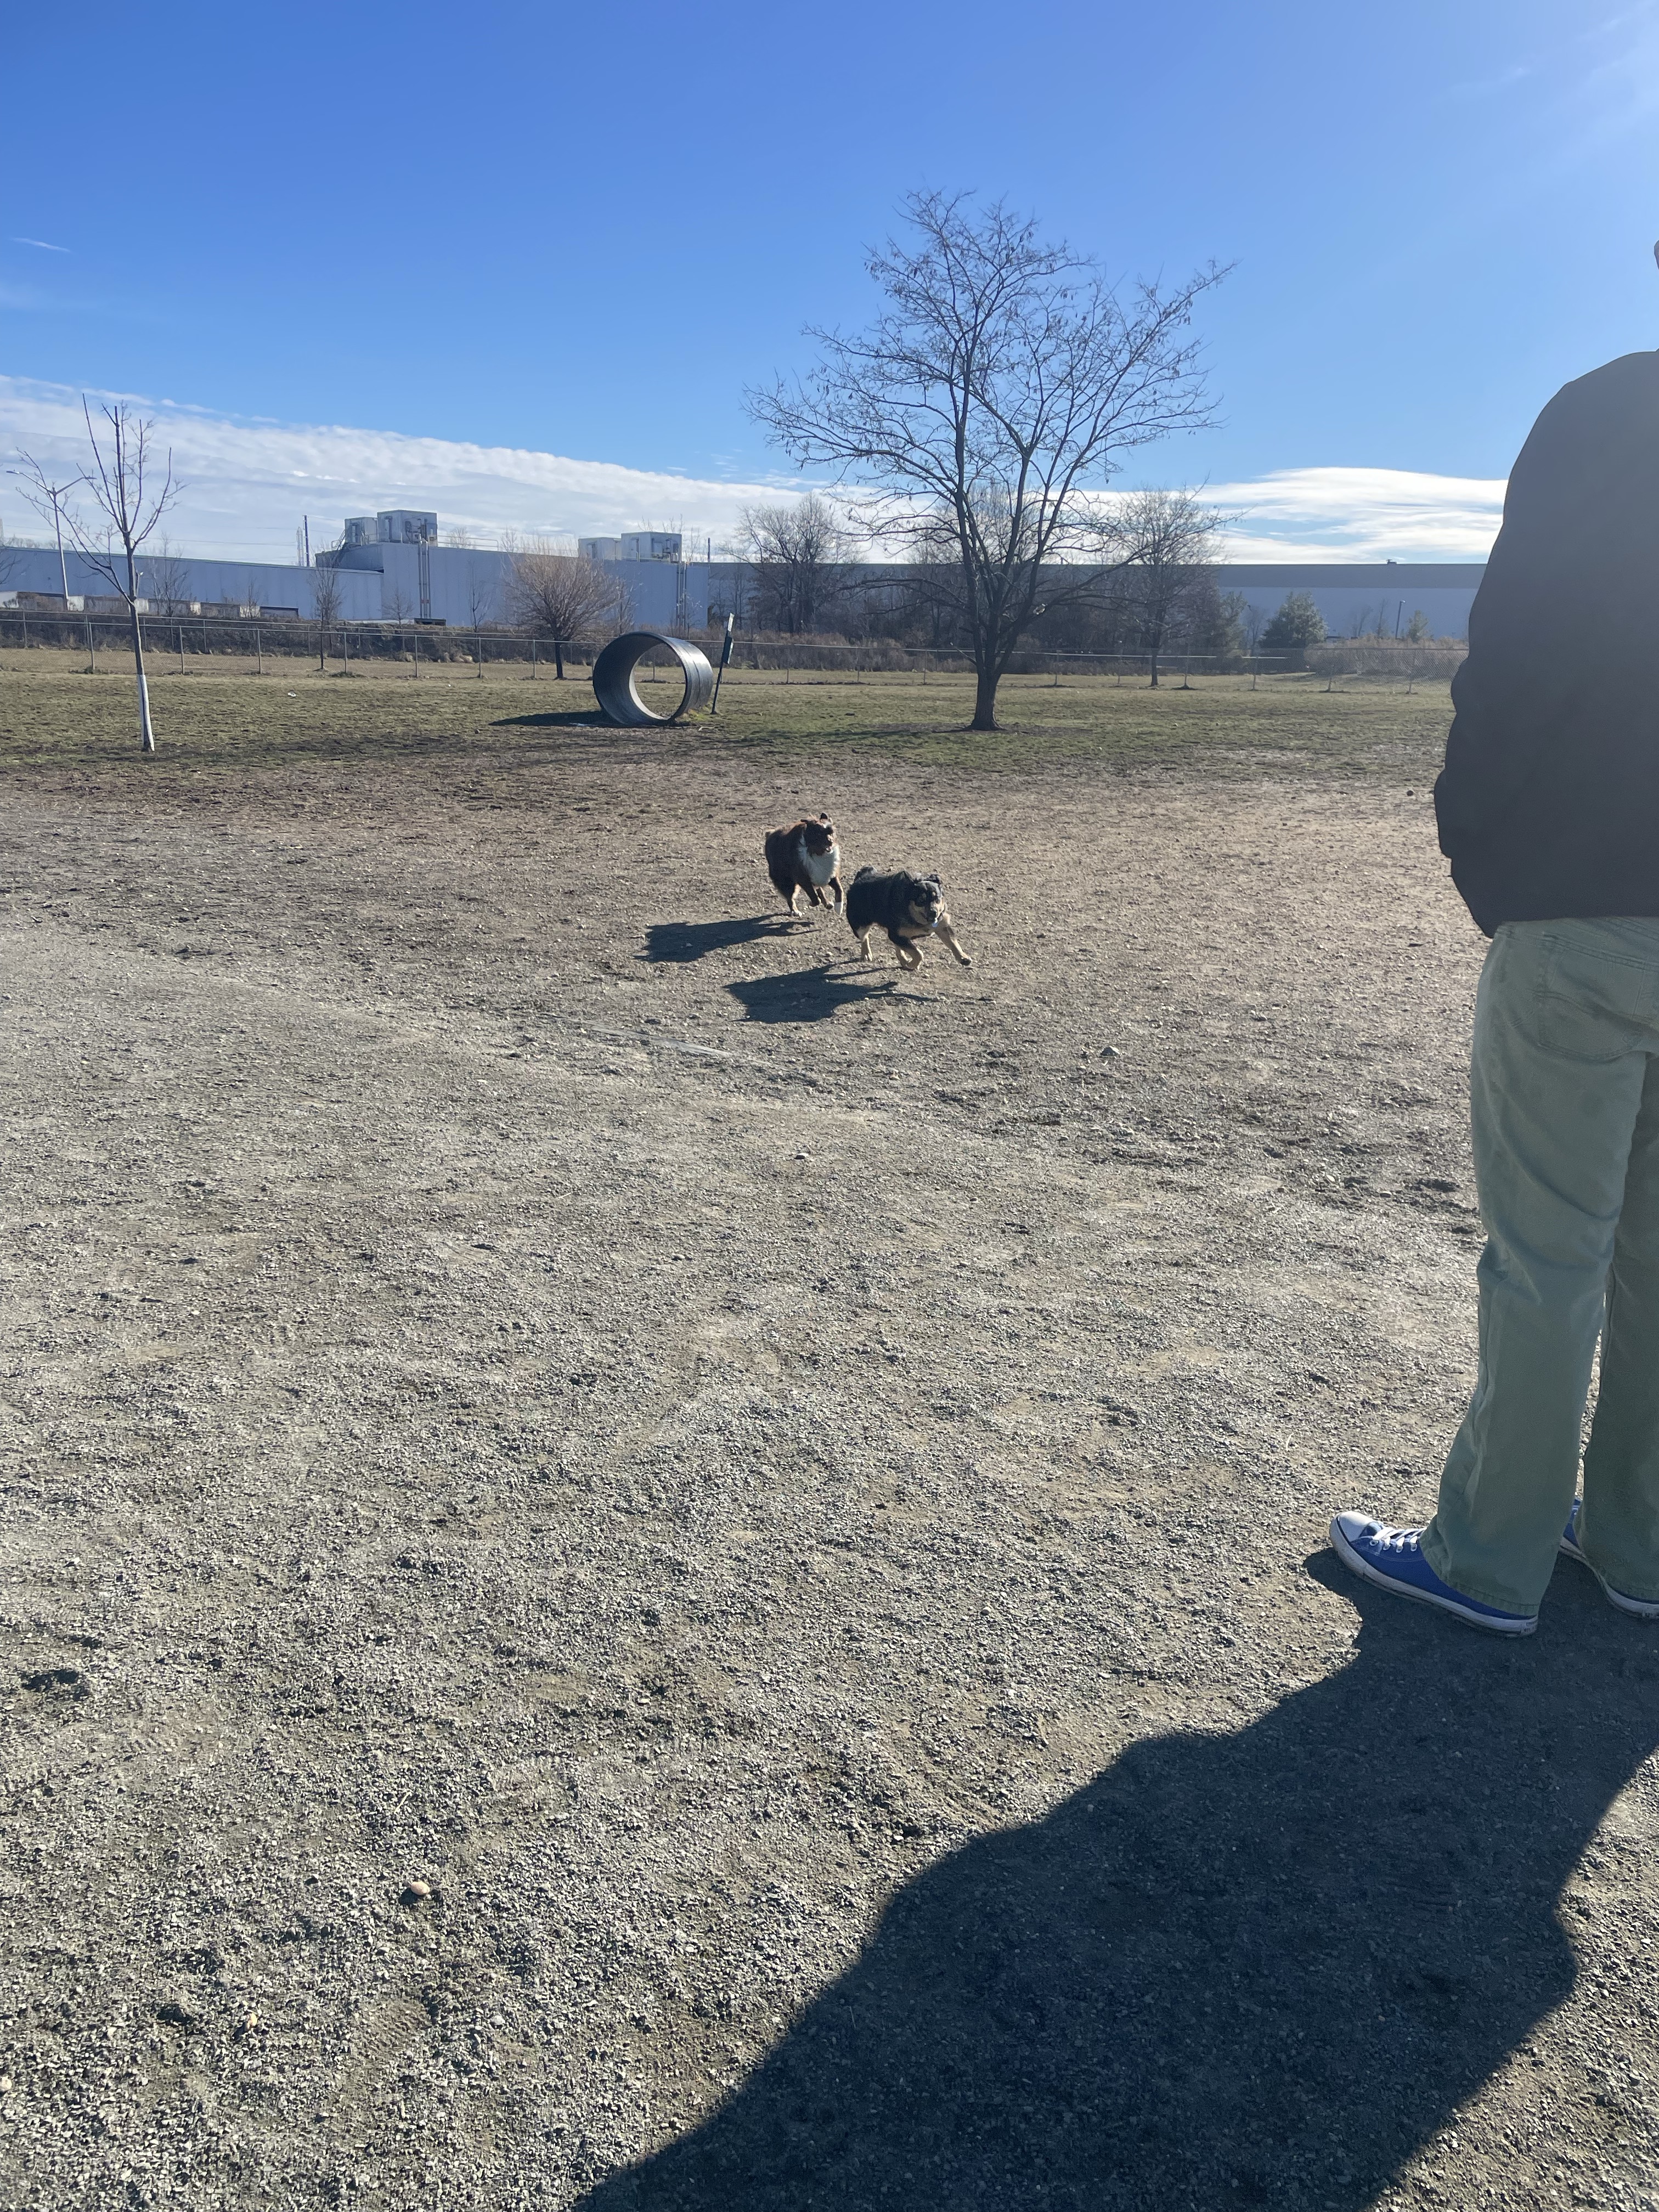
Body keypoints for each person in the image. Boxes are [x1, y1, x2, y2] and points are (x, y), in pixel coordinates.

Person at [1333, 286, 1659, 1635]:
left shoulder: (1608, 416)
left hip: (1587, 903)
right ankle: (1640, 1543)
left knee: (1548, 1255)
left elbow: (1515, 652)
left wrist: (1481, 848)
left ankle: (1490, 1556)